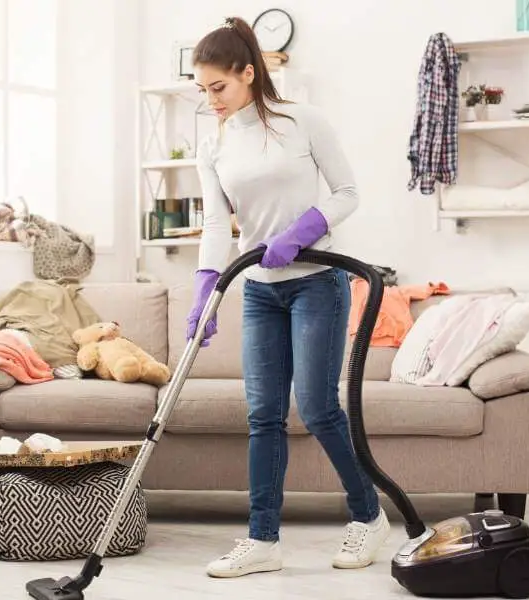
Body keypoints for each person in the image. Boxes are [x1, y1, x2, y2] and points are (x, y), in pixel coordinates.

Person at [185, 16, 391, 578]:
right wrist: (205, 288)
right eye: (202, 90)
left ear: (249, 73)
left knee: (320, 409)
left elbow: (348, 193)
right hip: (258, 291)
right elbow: (214, 225)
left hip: (317, 283)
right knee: (263, 417)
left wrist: (301, 233)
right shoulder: (214, 146)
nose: (211, 100)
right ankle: (262, 540)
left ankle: (369, 518)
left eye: (219, 87)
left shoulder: (304, 121)